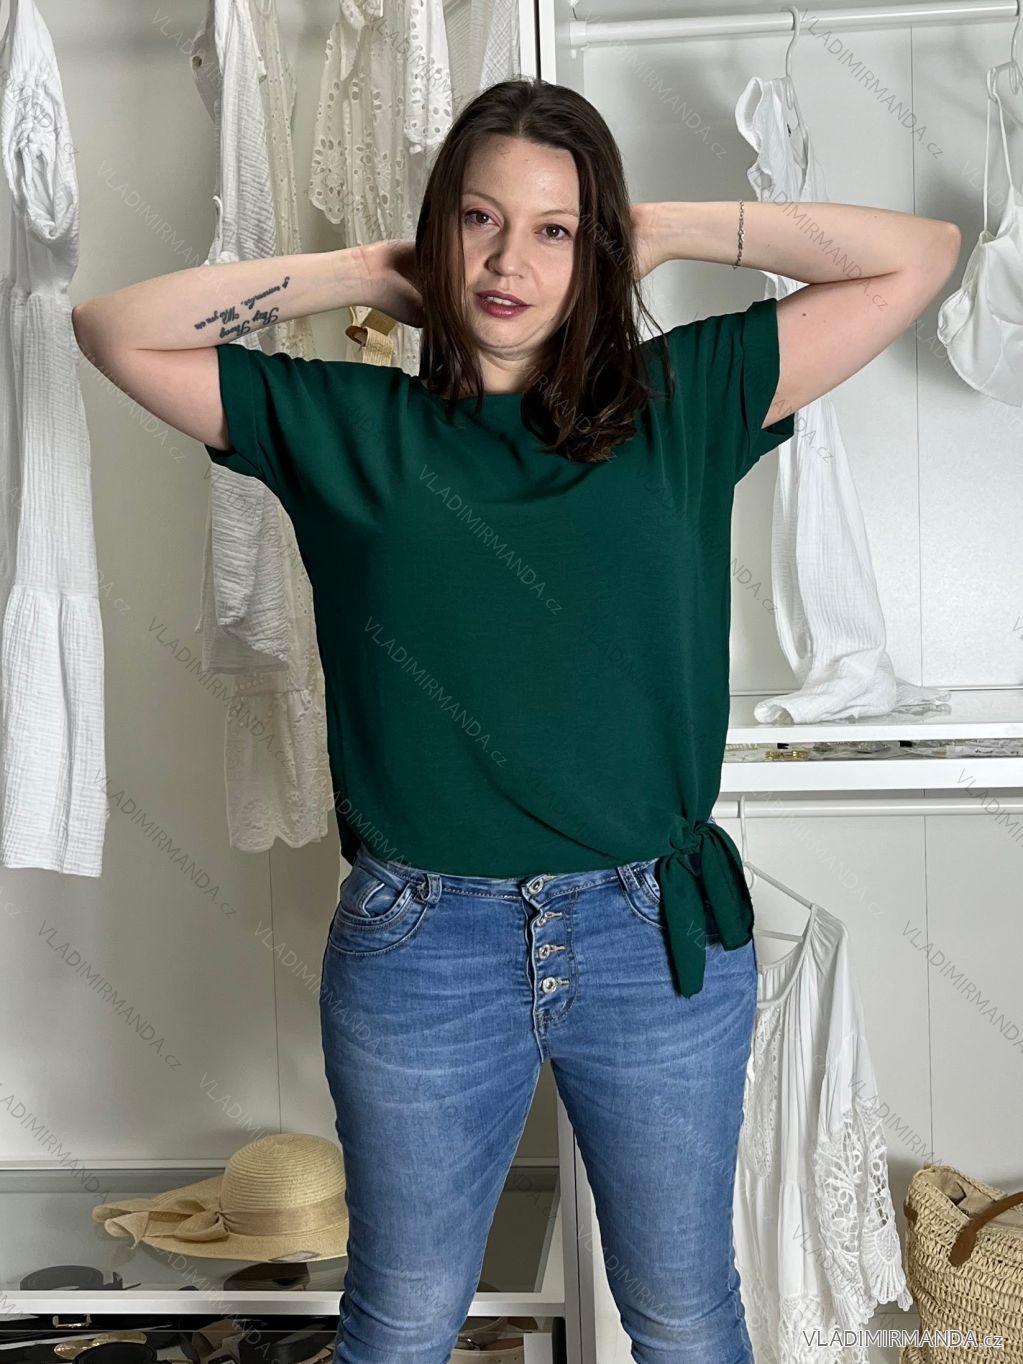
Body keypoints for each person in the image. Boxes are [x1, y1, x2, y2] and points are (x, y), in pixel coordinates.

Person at [73, 77, 959, 1364]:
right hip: (420, 944)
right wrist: (366, 272)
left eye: (555, 230)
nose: (508, 262)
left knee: (684, 1312)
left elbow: (919, 257)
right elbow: (112, 328)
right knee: (401, 1323)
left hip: (650, 937)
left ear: (597, 251)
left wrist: (662, 230)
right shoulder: (349, 424)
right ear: (437, 231)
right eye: (478, 220)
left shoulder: (686, 399)